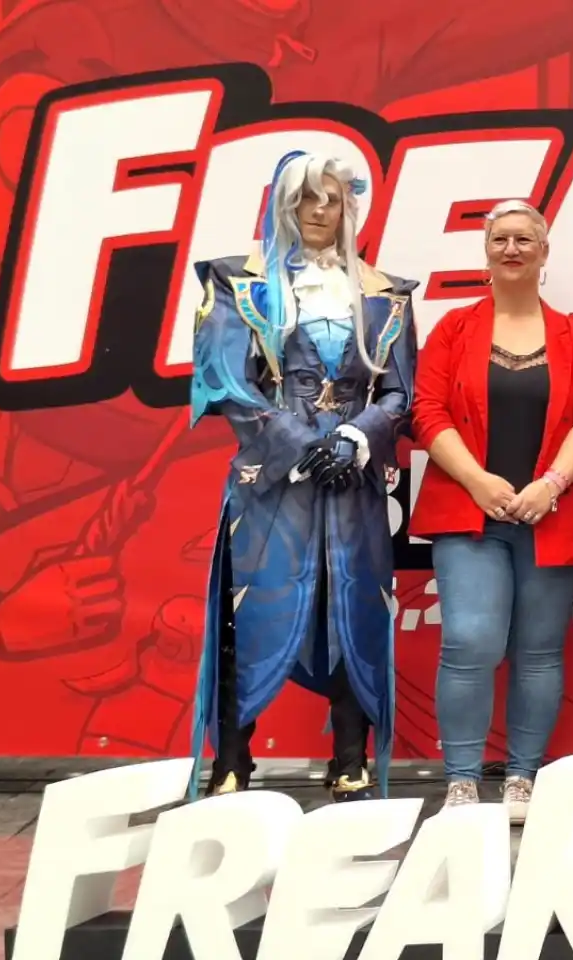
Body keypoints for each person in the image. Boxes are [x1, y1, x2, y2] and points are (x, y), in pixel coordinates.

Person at [186, 150, 418, 803]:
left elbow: (400, 393)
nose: (320, 210)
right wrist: (298, 441)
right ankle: (232, 760)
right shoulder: (237, 282)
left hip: (353, 478)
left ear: (349, 208)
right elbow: (227, 383)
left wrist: (354, 438)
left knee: (353, 609)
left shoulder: (386, 293)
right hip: (270, 482)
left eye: (333, 198)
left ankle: (350, 757)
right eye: (307, 197)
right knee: (250, 609)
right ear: (284, 203)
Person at [408, 199, 573, 822]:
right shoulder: (453, 330)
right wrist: (476, 481)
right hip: (468, 513)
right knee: (469, 641)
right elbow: (426, 412)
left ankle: (523, 777)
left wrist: (551, 483)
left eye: (525, 238)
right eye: (500, 238)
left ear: (544, 252)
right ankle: (462, 781)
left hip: (554, 515)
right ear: (486, 252)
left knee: (539, 651)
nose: (512, 248)